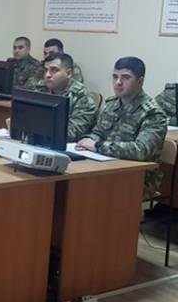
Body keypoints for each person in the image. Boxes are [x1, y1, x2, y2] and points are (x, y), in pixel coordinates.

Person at [76, 57, 167, 200]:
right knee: (75, 182)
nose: (118, 82)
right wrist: (87, 141)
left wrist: (97, 145)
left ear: (140, 82)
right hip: (107, 166)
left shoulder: (152, 113)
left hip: (139, 177)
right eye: (115, 77)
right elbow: (98, 132)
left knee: (88, 190)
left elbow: (141, 151)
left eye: (125, 78)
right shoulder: (111, 104)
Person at [42, 53, 97, 142]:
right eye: (45, 70)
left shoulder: (82, 96)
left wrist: (38, 129)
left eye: (54, 70)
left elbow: (74, 133)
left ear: (68, 73)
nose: (47, 75)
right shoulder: (42, 89)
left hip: (68, 145)